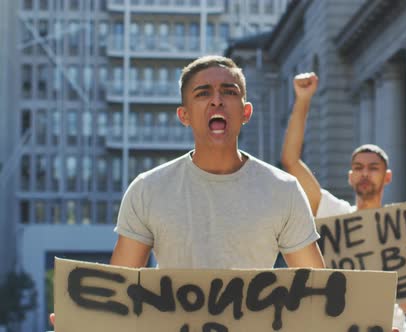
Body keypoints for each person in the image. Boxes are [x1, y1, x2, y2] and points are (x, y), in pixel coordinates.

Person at [49, 56, 324, 328]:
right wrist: (82, 321)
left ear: (246, 112)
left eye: (229, 92)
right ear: (184, 115)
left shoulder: (283, 190)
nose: (217, 100)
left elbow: (319, 292)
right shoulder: (148, 189)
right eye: (203, 93)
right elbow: (120, 288)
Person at [280, 72, 406, 332]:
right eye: (358, 168)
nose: (365, 173)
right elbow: (291, 161)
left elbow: (401, 300)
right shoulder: (334, 213)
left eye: (373, 167)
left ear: (387, 176)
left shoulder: (403, 227)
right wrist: (302, 100)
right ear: (350, 177)